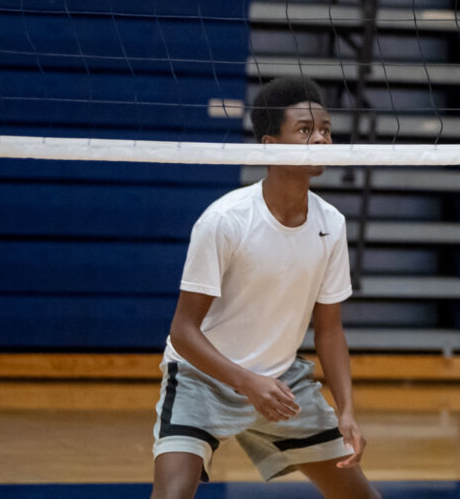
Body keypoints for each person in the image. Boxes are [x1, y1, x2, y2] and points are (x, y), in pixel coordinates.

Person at [152, 77, 373, 499]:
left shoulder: (332, 224)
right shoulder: (225, 221)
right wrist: (248, 383)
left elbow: (329, 330)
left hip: (282, 384)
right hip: (204, 378)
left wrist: (347, 411)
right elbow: (183, 332)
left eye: (326, 129)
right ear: (270, 145)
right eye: (305, 131)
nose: (322, 140)